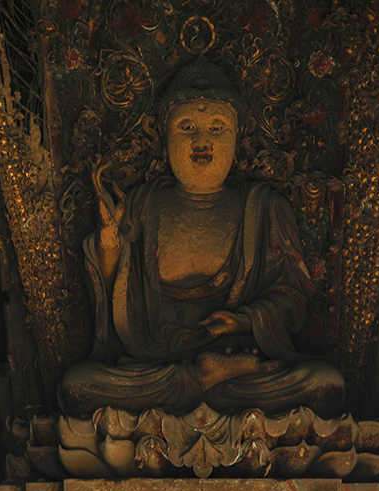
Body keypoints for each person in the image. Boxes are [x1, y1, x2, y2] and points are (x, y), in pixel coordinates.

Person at [58, 58, 345, 417]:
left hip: (238, 356)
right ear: (164, 140)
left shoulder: (263, 208)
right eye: (187, 127)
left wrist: (244, 321)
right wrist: (110, 240)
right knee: (79, 387)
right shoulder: (142, 204)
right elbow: (111, 290)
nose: (202, 140)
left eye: (218, 127)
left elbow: (292, 296)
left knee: (325, 384)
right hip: (159, 363)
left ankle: (214, 374)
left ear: (239, 139)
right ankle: (204, 377)